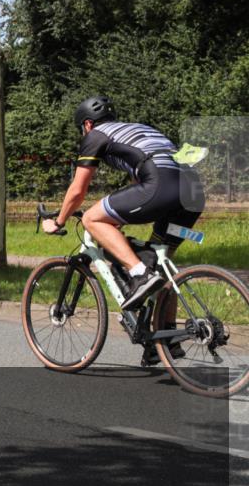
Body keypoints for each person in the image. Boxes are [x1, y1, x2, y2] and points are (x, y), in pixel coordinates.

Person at [42, 96, 204, 365]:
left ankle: (138, 274)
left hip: (160, 184)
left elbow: (78, 190)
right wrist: (118, 219)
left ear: (87, 124)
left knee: (91, 219)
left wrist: (58, 221)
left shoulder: (96, 135)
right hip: (192, 191)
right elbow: (137, 187)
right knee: (161, 263)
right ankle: (164, 341)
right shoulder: (137, 129)